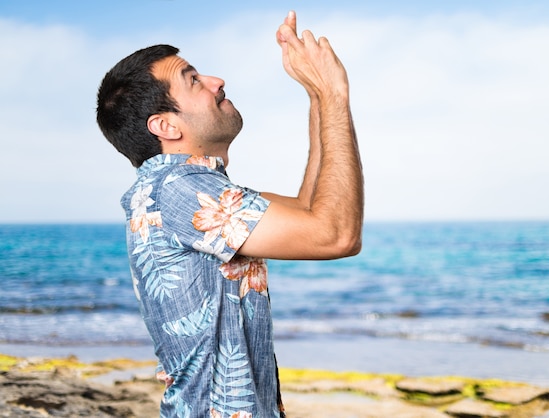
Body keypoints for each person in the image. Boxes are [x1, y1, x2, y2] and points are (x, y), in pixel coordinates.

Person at [96, 10, 363, 418]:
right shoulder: (179, 191)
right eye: (193, 80)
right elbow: (336, 234)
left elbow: (312, 210)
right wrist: (335, 96)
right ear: (165, 126)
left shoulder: (191, 190)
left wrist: (315, 96)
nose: (216, 81)